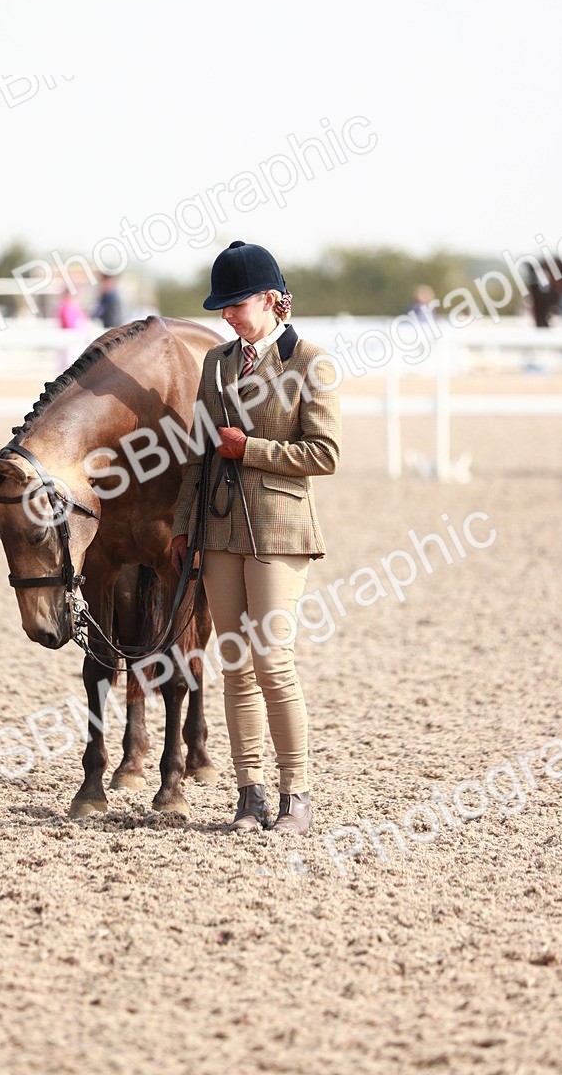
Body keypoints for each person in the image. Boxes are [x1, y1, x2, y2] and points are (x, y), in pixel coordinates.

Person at [170, 240, 342, 835]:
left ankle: (297, 792)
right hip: (218, 529)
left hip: (279, 530)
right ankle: (250, 793)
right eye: (222, 308)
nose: (227, 316)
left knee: (273, 662)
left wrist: (253, 450)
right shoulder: (216, 362)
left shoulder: (310, 363)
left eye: (236, 305)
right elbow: (197, 451)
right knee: (235, 666)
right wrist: (184, 525)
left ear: (273, 301)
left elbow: (324, 453)